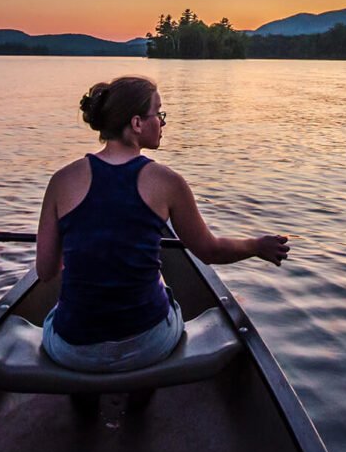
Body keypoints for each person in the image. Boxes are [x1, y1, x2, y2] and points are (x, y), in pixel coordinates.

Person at [36, 75, 290, 373]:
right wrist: (256, 246)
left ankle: (83, 403)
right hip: (148, 344)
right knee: (162, 288)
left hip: (73, 349)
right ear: (137, 124)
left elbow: (45, 271)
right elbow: (210, 251)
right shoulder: (168, 182)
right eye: (158, 113)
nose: (163, 122)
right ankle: (142, 396)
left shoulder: (62, 180)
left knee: (58, 316)